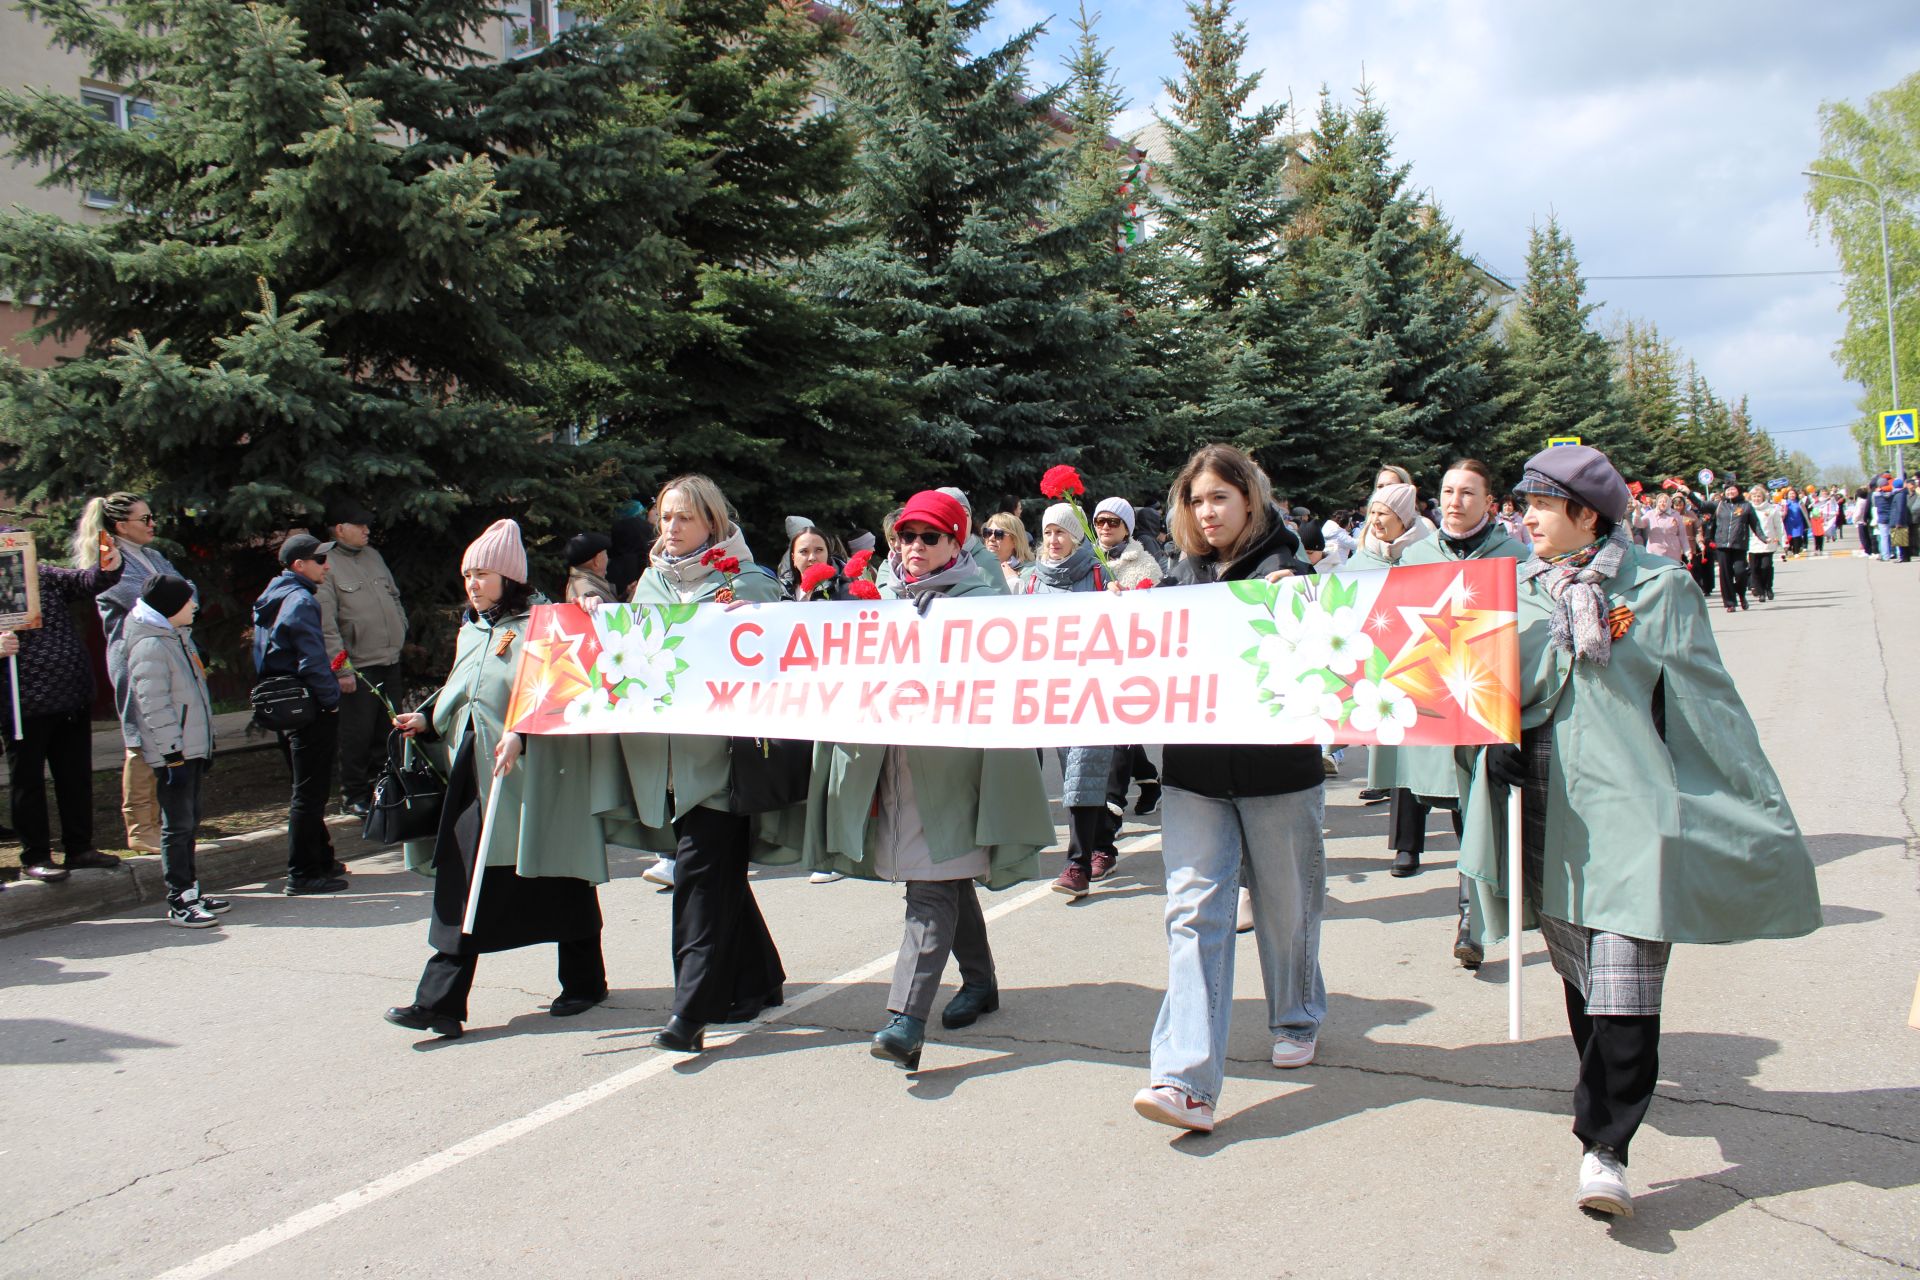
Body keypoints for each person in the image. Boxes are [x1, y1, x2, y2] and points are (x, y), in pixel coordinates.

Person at [1458, 443, 1819, 1218]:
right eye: (1521, 504)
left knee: (1626, 986)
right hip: (1548, 813)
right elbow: (1471, 694)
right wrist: (1491, 745)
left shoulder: (1660, 590)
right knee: (1585, 978)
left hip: (1632, 811)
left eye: (1539, 506)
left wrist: (1745, 809)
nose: (1524, 519)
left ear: (1585, 514)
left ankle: (1605, 1145)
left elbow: (1706, 706)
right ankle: (1601, 1112)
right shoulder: (1509, 592)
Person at [798, 489, 1054, 1070]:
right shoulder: (870, 598)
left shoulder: (984, 604)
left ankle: (905, 1019)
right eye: (905, 536)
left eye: (929, 536)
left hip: (954, 767)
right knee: (945, 872)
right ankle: (981, 982)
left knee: (931, 884)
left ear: (955, 542)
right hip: (888, 761)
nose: (914, 546)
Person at [1132, 445, 1325, 1136]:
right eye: (1195, 500)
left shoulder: (1292, 572)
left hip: (1280, 773)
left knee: (1287, 907)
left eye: (1219, 497)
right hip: (1196, 776)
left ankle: (1296, 1013)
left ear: (1251, 498)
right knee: (1192, 914)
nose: (1207, 512)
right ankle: (1185, 1079)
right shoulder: (1175, 582)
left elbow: (1325, 665)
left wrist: (1300, 613)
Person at [384, 520, 612, 1038]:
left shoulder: (546, 622)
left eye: (482, 573)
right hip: (475, 773)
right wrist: (425, 716)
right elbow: (461, 687)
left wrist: (524, 735)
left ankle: (584, 980)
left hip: (536, 777)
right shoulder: (472, 628)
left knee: (557, 873)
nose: (472, 582)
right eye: (467, 573)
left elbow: (567, 691)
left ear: (508, 577)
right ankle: (439, 1001)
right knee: (463, 879)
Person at [618, 474, 787, 1053]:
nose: (670, 528)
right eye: (665, 517)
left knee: (697, 879)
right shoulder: (652, 583)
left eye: (684, 518)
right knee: (718, 877)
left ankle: (691, 1012)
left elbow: (782, 658)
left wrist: (756, 624)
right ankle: (760, 980)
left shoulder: (747, 582)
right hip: (669, 762)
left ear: (712, 523)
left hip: (725, 762)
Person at [1380, 461, 1527, 969]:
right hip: (1432, 702)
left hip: (1490, 703)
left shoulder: (1515, 556)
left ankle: (1471, 920)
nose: (1455, 501)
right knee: (1445, 802)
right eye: (1447, 491)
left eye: (1468, 492)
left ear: (1490, 501)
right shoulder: (1416, 556)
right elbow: (1391, 627)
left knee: (1476, 810)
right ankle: (1470, 909)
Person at [0, 528, 124, 882]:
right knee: (28, 781)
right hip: (23, 701)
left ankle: (79, 847)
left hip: (69, 694)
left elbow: (89, 581)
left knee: (75, 776)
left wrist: (108, 564)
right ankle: (36, 855)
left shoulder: (44, 576)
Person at [78, 492, 191, 854]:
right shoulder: (111, 561)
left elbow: (187, 593)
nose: (152, 524)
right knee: (142, 737)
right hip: (135, 658)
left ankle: (163, 821)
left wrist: (181, 600)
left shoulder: (154, 556)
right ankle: (141, 827)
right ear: (121, 525)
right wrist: (178, 600)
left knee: (169, 733)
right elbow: (144, 601)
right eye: (145, 519)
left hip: (170, 654)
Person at [1023, 503, 1122, 900]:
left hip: (1094, 689)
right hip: (1054, 690)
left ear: (1077, 536)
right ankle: (1103, 845)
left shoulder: (1099, 574)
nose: (1053, 540)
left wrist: (1119, 600)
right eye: (1047, 532)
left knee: (1082, 770)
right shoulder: (1032, 581)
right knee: (1075, 772)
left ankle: (1076, 865)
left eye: (1061, 532)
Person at [122, 574, 227, 927]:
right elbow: (153, 707)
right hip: (173, 754)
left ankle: (192, 889)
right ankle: (180, 899)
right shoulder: (151, 646)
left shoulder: (178, 637)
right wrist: (171, 755)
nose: (194, 606)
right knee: (177, 825)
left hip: (190, 748)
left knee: (189, 821)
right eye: (187, 601)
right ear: (169, 607)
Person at [252, 533, 348, 895]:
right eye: (320, 560)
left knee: (307, 786)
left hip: (283, 701)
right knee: (310, 791)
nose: (326, 565)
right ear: (299, 565)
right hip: (308, 703)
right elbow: (311, 659)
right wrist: (331, 698)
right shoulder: (301, 601)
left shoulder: (273, 595)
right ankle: (303, 873)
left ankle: (321, 858)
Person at [315, 501, 407, 820]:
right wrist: (341, 667)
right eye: (360, 524)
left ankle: (385, 789)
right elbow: (326, 621)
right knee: (357, 735)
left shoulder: (372, 556)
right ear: (339, 529)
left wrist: (400, 627)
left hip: (388, 658)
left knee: (388, 729)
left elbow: (392, 596)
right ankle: (353, 794)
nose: (367, 529)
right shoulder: (325, 563)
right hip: (357, 667)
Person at [1704, 481, 1761, 612]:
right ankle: (1730, 603)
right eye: (1727, 490)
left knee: (1740, 572)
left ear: (1738, 491)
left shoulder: (1746, 506)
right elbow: (1701, 505)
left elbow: (1755, 524)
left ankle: (1741, 594)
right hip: (1722, 545)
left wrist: (1764, 538)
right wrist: (1687, 493)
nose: (1730, 492)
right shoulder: (1719, 505)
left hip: (1739, 545)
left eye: (1733, 489)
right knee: (1725, 575)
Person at [777, 520, 837, 599]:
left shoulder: (843, 588)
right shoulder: (779, 591)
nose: (812, 558)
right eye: (804, 551)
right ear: (793, 558)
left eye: (819, 550)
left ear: (828, 554)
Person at [980, 511, 1033, 590]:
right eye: (988, 532)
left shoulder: (1031, 573)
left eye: (998, 534)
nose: (991, 538)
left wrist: (1013, 582)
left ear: (1015, 541)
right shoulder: (975, 567)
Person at [1747, 485, 1782, 603]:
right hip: (1752, 544)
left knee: (1765, 567)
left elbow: (1778, 525)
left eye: (1758, 496)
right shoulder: (1747, 509)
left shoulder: (1771, 509)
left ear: (1763, 497)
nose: (1756, 499)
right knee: (1754, 569)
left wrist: (1781, 539)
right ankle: (1760, 591)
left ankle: (1768, 587)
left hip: (1768, 542)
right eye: (1754, 496)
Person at [1636, 492, 1690, 566]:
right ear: (1657, 503)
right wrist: (1637, 511)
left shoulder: (1676, 514)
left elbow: (1682, 534)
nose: (1662, 503)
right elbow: (1638, 524)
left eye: (1665, 501)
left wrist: (1687, 550)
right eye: (1660, 501)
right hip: (1655, 553)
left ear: (1669, 503)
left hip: (1673, 553)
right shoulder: (1650, 514)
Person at [563, 532, 616, 603]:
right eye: (605, 554)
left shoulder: (581, 582)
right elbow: (613, 613)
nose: (607, 558)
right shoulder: (590, 593)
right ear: (597, 561)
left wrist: (628, 595)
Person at [1782, 488, 1809, 558]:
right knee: (1790, 537)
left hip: (1798, 522)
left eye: (1793, 493)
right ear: (1787, 495)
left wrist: (1807, 522)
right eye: (1790, 494)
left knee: (1797, 537)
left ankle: (1796, 552)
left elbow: (1805, 512)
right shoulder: (1785, 503)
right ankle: (1790, 549)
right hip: (1788, 523)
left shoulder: (1799, 502)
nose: (1792, 495)